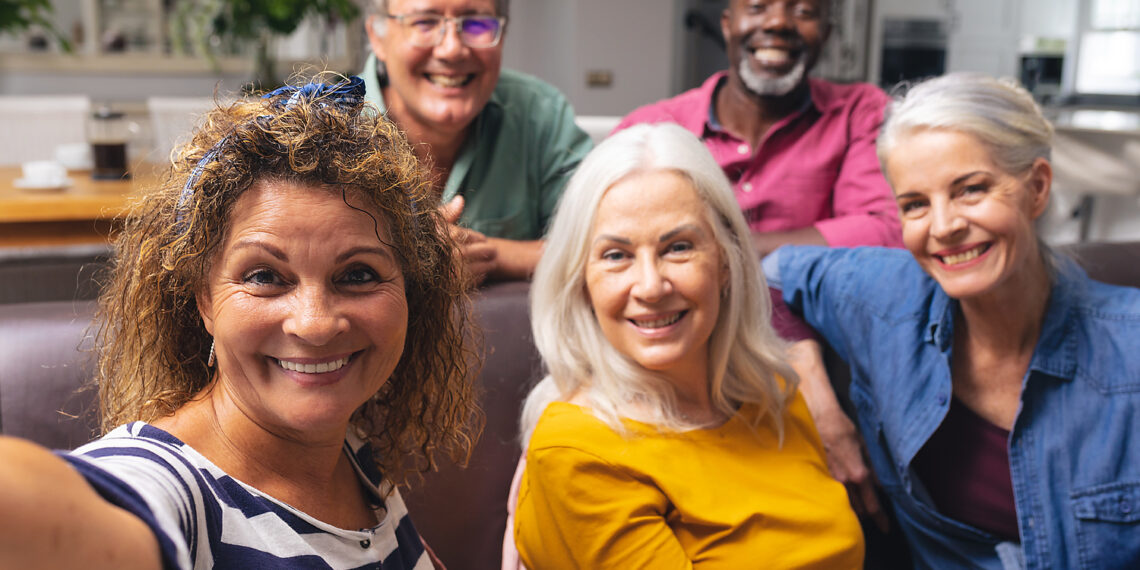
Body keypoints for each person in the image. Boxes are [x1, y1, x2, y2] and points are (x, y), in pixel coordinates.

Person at [0, 76, 478, 569]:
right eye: (265, 276)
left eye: (358, 274)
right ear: (202, 298)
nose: (314, 325)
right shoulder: (179, 494)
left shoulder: (351, 450)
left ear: (409, 291)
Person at [766, 73, 1140, 568]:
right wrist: (818, 400)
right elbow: (767, 273)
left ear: (1037, 188)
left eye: (970, 190)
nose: (943, 227)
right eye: (915, 205)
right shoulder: (884, 298)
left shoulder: (1128, 351)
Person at [511, 123, 864, 568]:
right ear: (581, 282)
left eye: (678, 247)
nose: (651, 286)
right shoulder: (577, 449)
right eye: (616, 255)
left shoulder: (773, 390)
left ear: (726, 261)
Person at [614, 0, 901, 257]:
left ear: (825, 34)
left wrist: (725, 250)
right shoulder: (651, 127)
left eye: (803, 11)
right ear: (727, 25)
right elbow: (608, 236)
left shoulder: (860, 113)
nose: (778, 22)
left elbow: (884, 231)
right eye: (757, 7)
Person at [363, 0, 593, 284]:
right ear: (377, 36)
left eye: (476, 24)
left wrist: (489, 255)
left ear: (503, 35)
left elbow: (607, 245)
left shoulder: (539, 113)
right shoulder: (330, 122)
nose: (452, 49)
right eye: (425, 22)